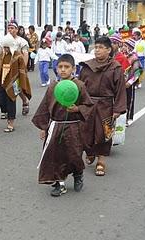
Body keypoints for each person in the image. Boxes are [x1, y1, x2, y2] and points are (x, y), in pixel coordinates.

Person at [32, 54, 93, 196]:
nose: (63, 70)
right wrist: (43, 127)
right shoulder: (53, 86)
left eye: (66, 67)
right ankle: (59, 184)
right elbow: (45, 107)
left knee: (74, 154)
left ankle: (78, 174)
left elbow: (88, 105)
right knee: (54, 155)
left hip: (73, 126)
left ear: (73, 68)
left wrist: (78, 109)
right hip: (55, 126)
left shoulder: (79, 85)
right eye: (60, 67)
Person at [79, 36, 127, 176]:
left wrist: (117, 109)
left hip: (106, 105)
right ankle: (90, 152)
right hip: (88, 104)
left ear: (108, 50)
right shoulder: (87, 66)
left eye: (100, 47)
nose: (97, 50)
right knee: (85, 131)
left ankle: (101, 160)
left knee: (103, 133)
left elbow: (120, 89)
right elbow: (80, 86)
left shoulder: (115, 68)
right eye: (96, 47)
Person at [0, 34, 32, 131]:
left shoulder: (18, 56)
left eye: (7, 47)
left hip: (14, 82)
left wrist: (21, 82)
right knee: (0, 101)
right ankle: (5, 112)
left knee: (11, 101)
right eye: (4, 47)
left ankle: (11, 123)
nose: (5, 49)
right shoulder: (1, 55)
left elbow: (22, 70)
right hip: (2, 81)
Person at [7, 19, 31, 115]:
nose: (10, 30)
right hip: (6, 68)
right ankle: (5, 109)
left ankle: (25, 101)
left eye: (12, 28)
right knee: (5, 88)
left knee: (17, 88)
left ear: (17, 30)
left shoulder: (22, 41)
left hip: (17, 68)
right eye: (8, 28)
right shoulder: (5, 40)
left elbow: (25, 55)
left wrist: (23, 69)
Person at [122, 39, 142, 125]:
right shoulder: (120, 56)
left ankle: (127, 118)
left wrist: (130, 82)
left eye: (126, 46)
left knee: (129, 100)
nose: (123, 48)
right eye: (123, 45)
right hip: (119, 82)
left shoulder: (134, 58)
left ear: (130, 48)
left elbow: (138, 72)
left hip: (128, 83)